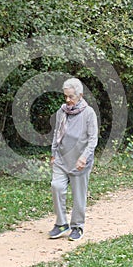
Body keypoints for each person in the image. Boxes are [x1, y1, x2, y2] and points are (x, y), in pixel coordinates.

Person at [49, 77, 98, 241]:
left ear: (80, 95)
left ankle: (77, 226)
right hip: (62, 158)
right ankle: (61, 223)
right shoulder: (62, 111)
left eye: (71, 97)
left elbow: (93, 139)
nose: (68, 100)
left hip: (80, 161)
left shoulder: (88, 113)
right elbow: (57, 133)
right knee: (56, 186)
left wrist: (84, 157)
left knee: (78, 196)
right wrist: (53, 153)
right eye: (66, 96)